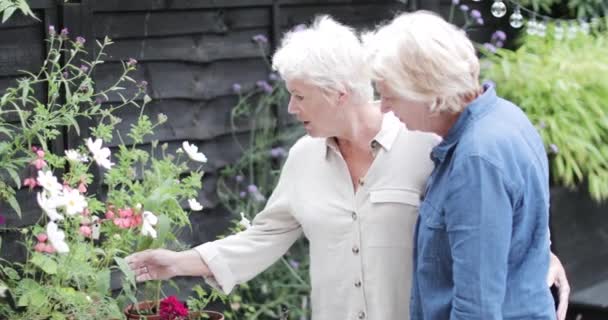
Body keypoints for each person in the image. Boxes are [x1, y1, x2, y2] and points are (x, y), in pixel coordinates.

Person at [126, 14, 570, 320]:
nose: (291, 107)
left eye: (299, 95)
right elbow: (266, 235)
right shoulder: (303, 159)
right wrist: (180, 262)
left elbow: (492, 210)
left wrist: (538, 255)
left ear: (337, 92)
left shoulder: (431, 140)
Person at [364, 10, 567, 319]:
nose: (385, 107)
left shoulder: (477, 159)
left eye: (390, 95)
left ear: (429, 92)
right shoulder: (504, 114)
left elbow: (477, 309)